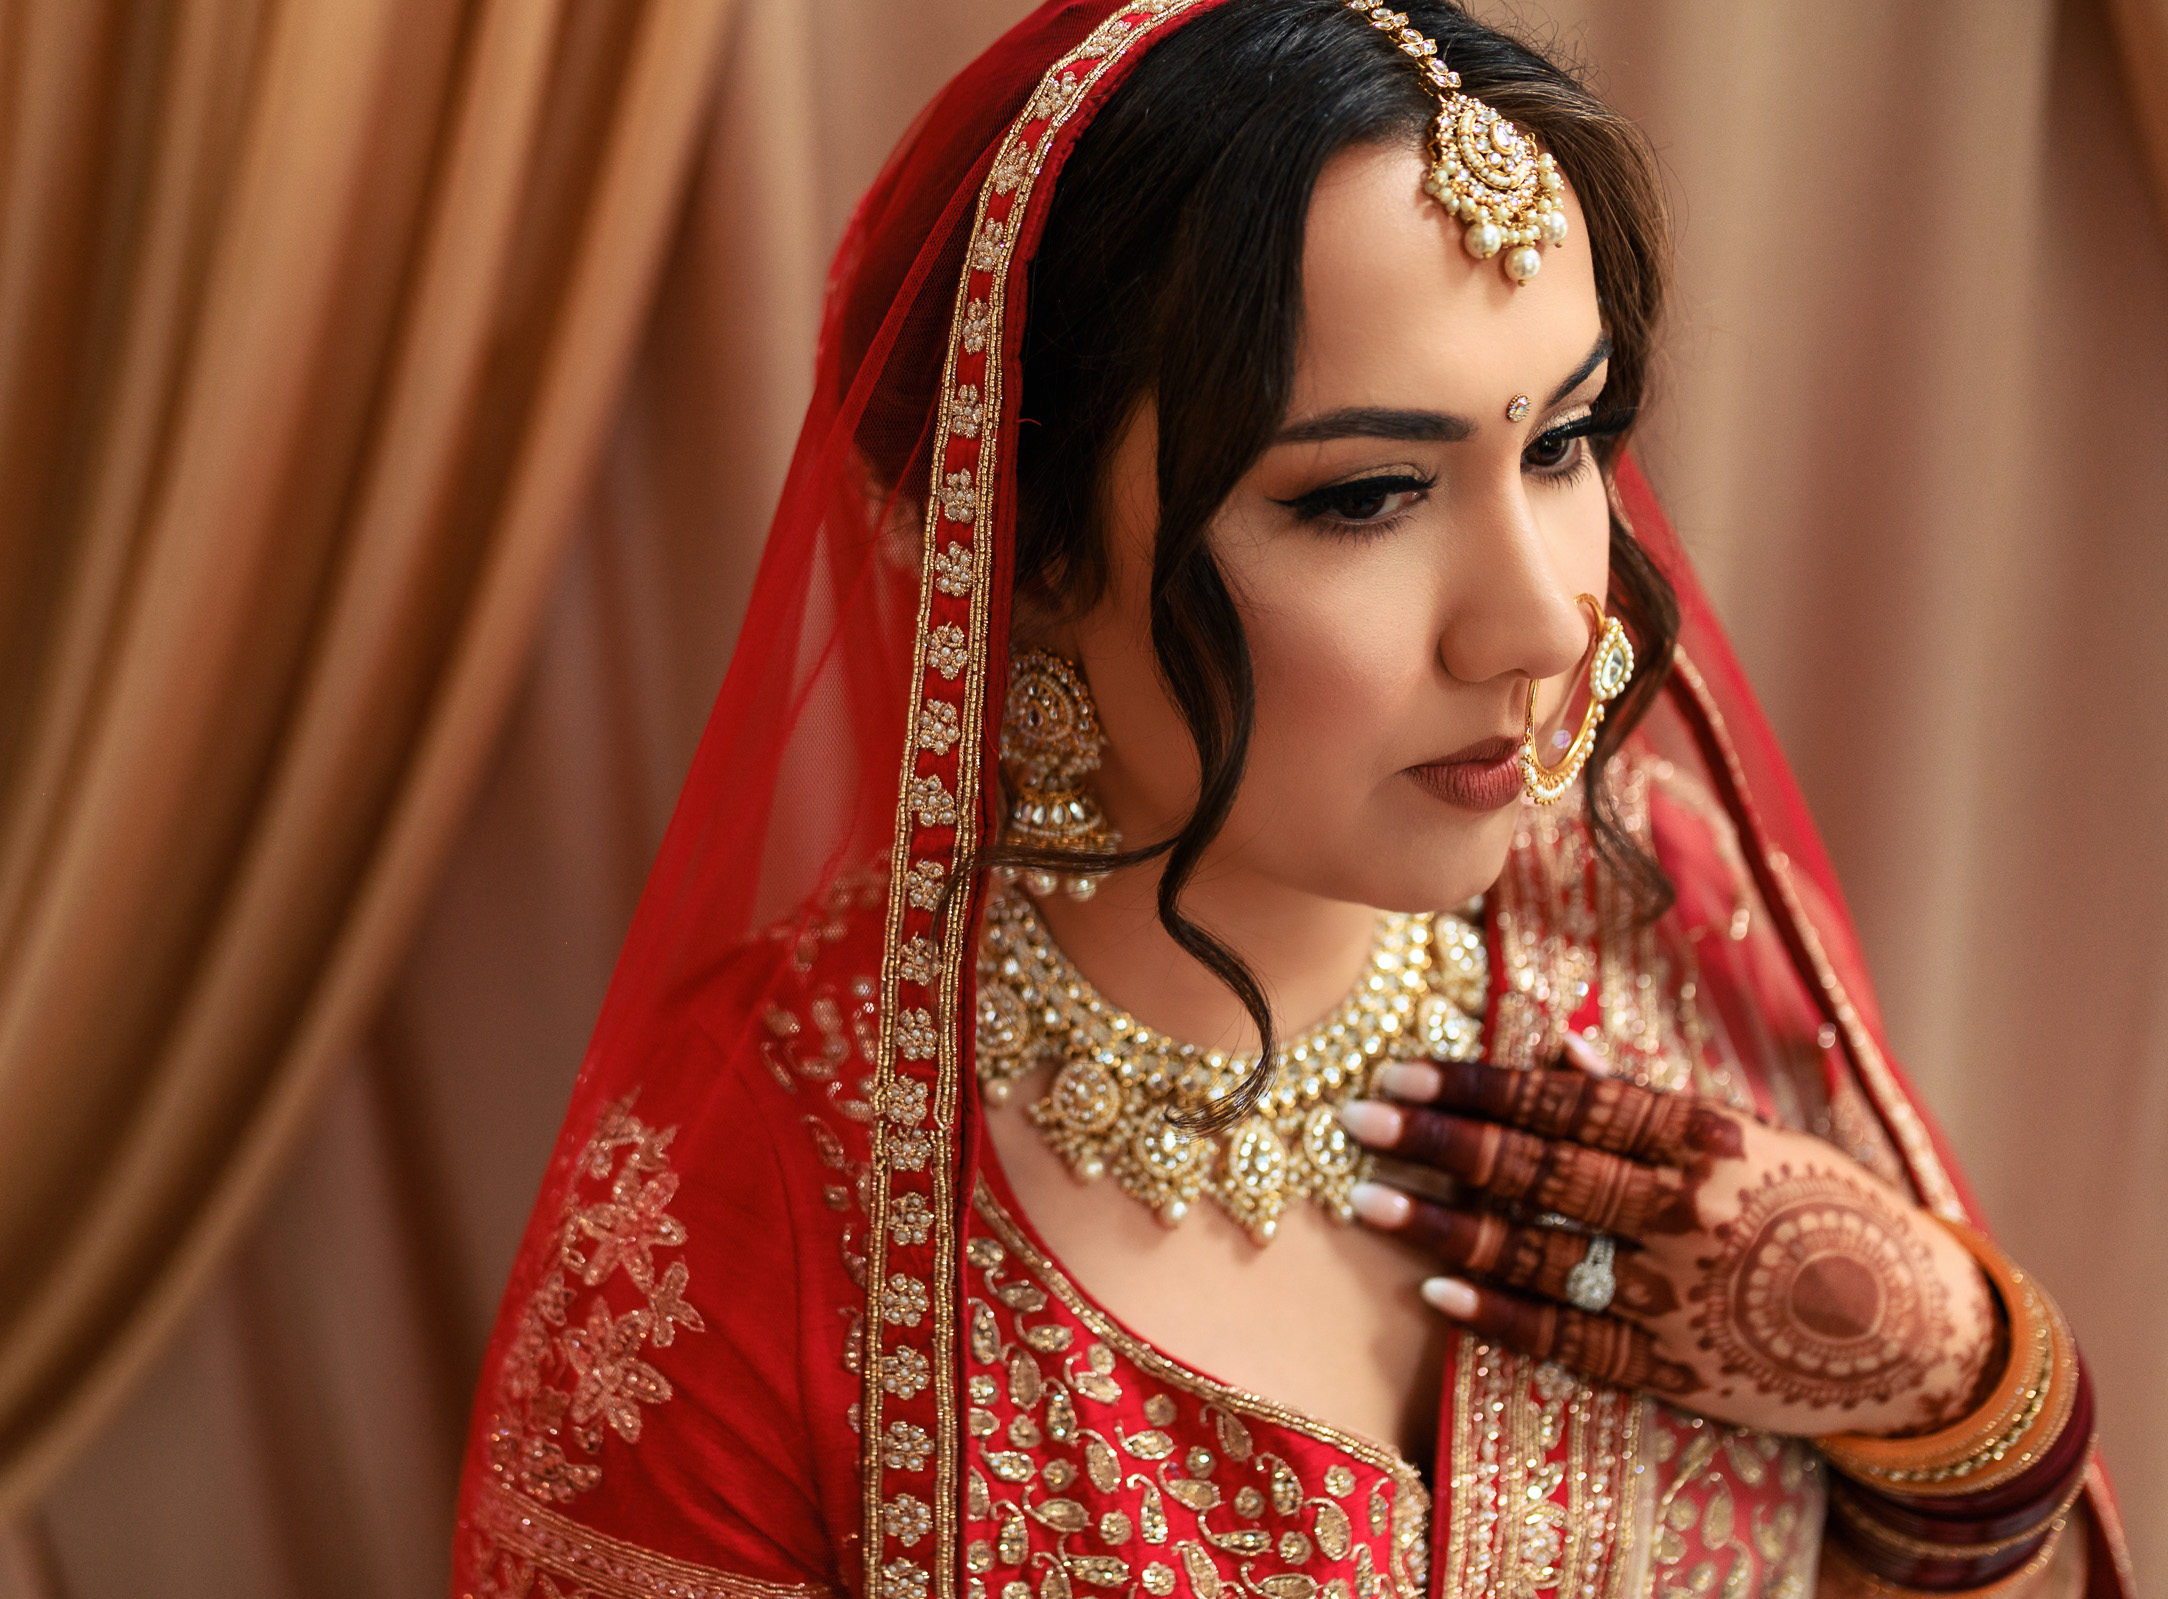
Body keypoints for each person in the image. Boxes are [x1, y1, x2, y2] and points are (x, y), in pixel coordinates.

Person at [449, 2, 2132, 1594]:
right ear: (1022, 546)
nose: (1547, 618)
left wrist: (1962, 1387)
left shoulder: (1653, 915)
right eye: (1368, 496)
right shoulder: (755, 1192)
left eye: (1564, 443)